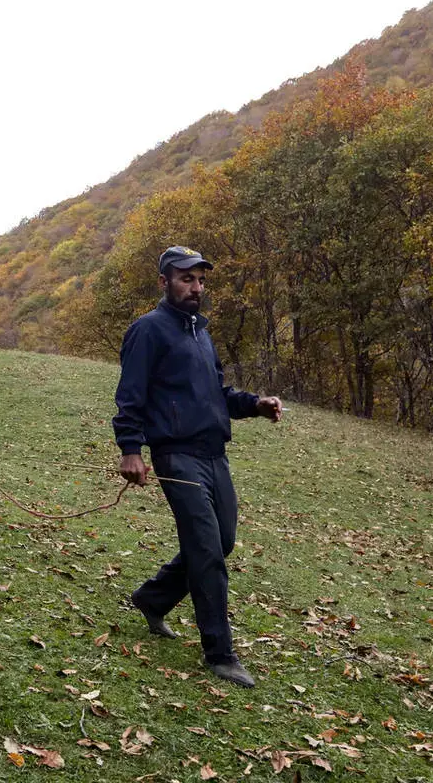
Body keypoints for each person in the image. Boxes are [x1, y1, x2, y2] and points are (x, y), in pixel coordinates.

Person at [112, 245, 282, 689]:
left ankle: (153, 598)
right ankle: (220, 653)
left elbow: (216, 393)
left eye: (201, 280)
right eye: (186, 278)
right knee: (205, 549)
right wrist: (132, 450)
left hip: (214, 454)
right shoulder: (148, 331)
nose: (196, 287)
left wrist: (255, 406)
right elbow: (130, 396)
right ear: (164, 281)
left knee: (221, 541)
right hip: (176, 455)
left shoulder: (200, 332)